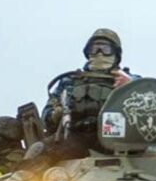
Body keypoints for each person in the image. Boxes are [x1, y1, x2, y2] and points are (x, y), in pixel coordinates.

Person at [40, 28, 137, 158]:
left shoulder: (129, 80)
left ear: (116, 53)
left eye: (105, 49)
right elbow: (46, 117)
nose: (99, 53)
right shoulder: (70, 81)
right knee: (39, 152)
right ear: (88, 52)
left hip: (120, 146)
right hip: (74, 142)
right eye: (94, 49)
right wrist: (56, 114)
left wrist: (132, 85)